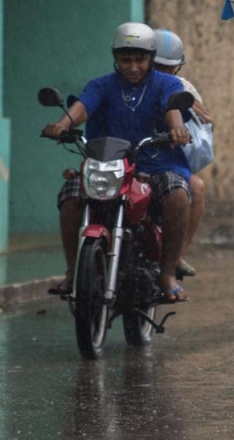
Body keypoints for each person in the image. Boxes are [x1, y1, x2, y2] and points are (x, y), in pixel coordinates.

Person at [43, 22, 192, 302]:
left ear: (150, 58)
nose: (133, 67)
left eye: (140, 59)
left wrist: (176, 129)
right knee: (71, 195)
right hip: (107, 166)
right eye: (126, 59)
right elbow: (84, 105)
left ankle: (168, 273)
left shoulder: (166, 83)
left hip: (154, 165)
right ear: (115, 58)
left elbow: (172, 107)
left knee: (178, 194)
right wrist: (61, 124)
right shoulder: (102, 85)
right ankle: (73, 271)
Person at [152, 28, 213, 279]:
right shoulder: (120, 84)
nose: (164, 73)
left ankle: (175, 257)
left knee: (194, 187)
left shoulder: (181, 87)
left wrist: (188, 115)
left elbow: (204, 120)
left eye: (170, 68)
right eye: (157, 66)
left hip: (165, 161)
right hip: (127, 159)